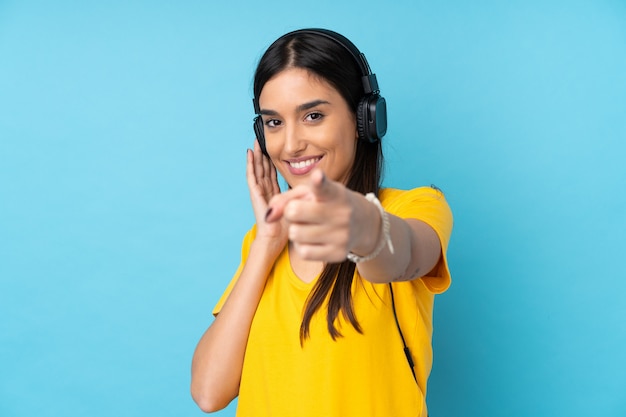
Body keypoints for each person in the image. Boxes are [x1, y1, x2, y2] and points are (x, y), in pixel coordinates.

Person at [190, 28, 453, 417]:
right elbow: (209, 393)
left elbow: (405, 254)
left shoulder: (415, 207)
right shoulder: (264, 242)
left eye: (313, 116)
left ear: (365, 119)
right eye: (274, 123)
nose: (291, 144)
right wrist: (267, 241)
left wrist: (364, 226)